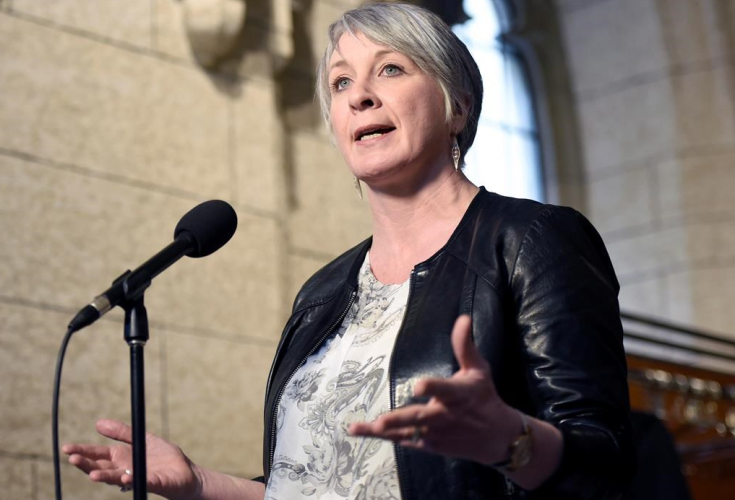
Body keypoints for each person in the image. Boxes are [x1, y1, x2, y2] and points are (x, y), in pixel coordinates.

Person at [63, 3, 634, 499]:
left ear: (457, 107)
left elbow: (606, 466)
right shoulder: (325, 291)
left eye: (390, 69)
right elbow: (311, 484)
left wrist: (510, 441)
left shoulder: (531, 240)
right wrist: (199, 483)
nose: (360, 95)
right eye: (340, 83)